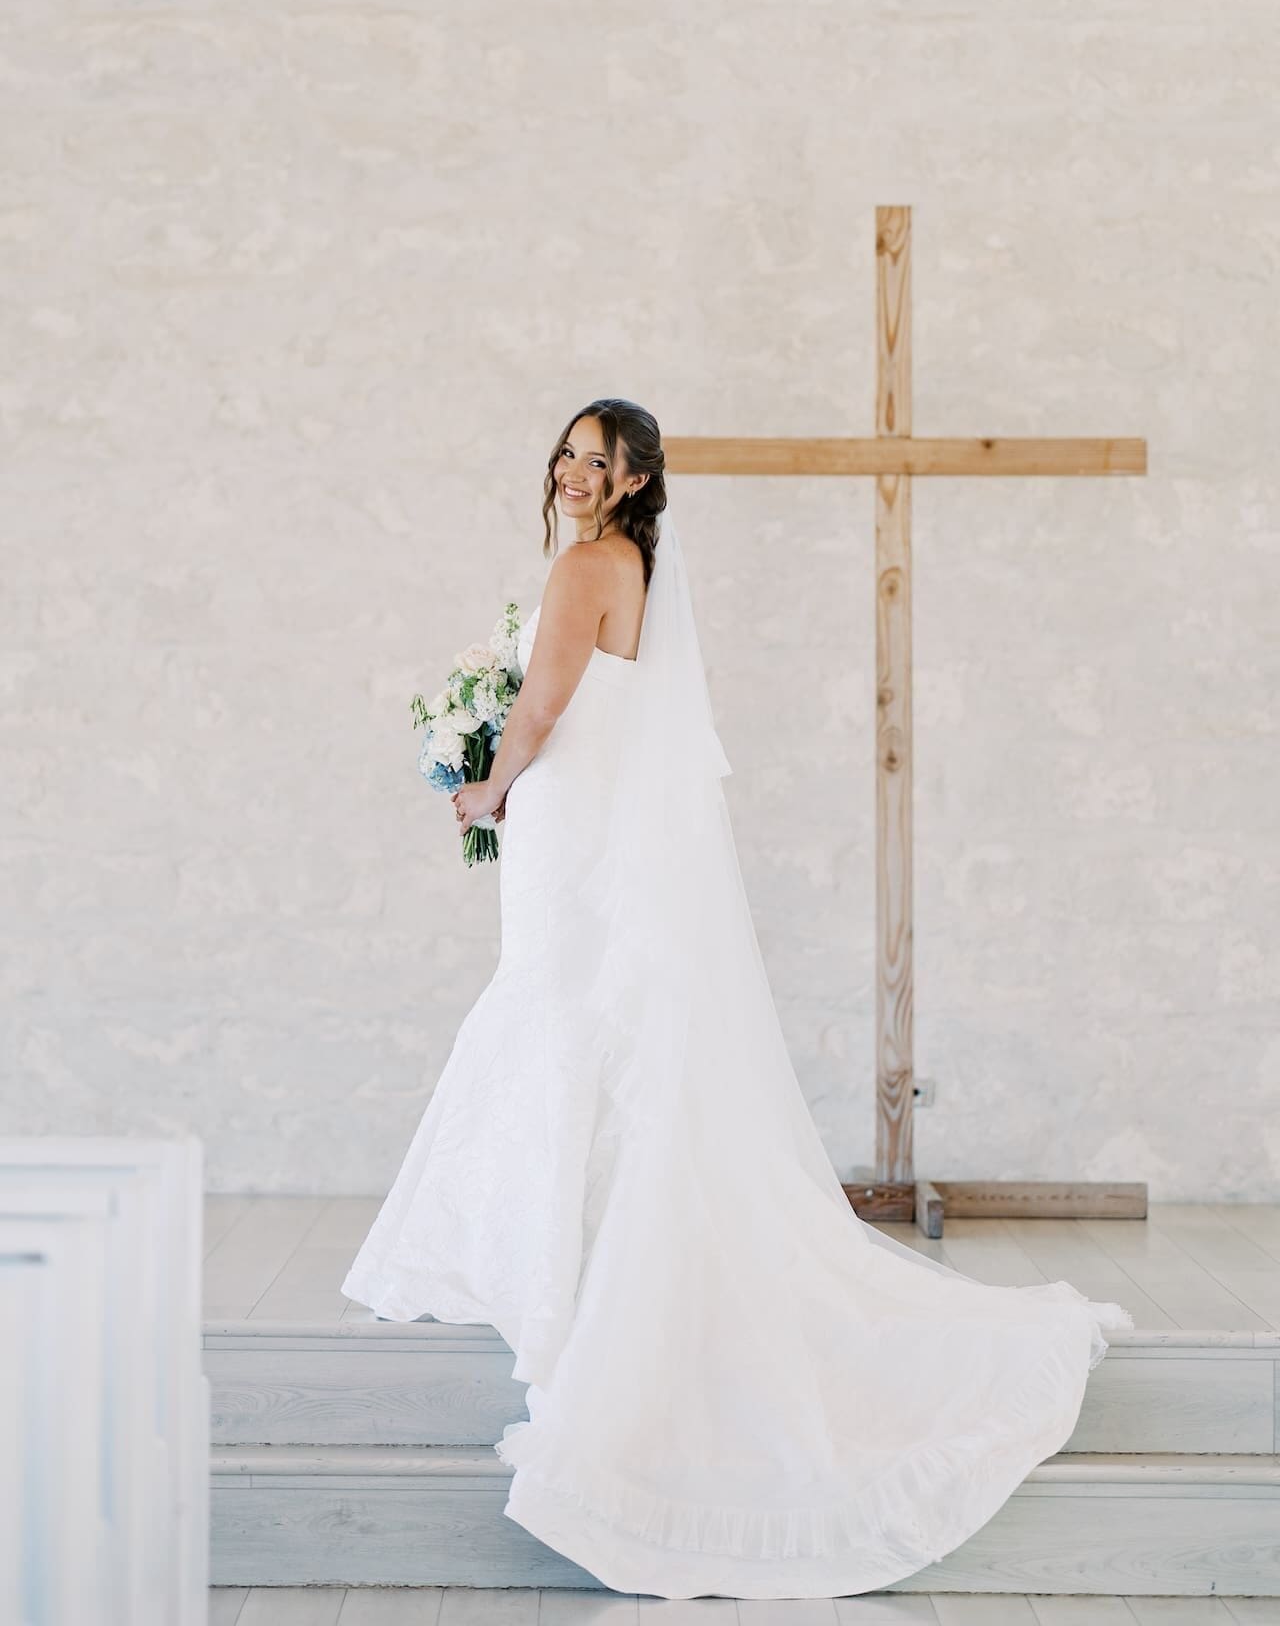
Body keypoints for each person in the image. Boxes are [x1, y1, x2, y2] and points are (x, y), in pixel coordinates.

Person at [340, 397, 1133, 1599]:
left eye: (594, 461)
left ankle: (565, 1281)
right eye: (565, 452)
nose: (570, 472)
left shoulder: (581, 569)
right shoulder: (636, 569)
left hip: (557, 825)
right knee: (578, 1030)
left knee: (553, 1020)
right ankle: (575, 1264)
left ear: (634, 478)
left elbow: (544, 709)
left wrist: (483, 784)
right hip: (591, 832)